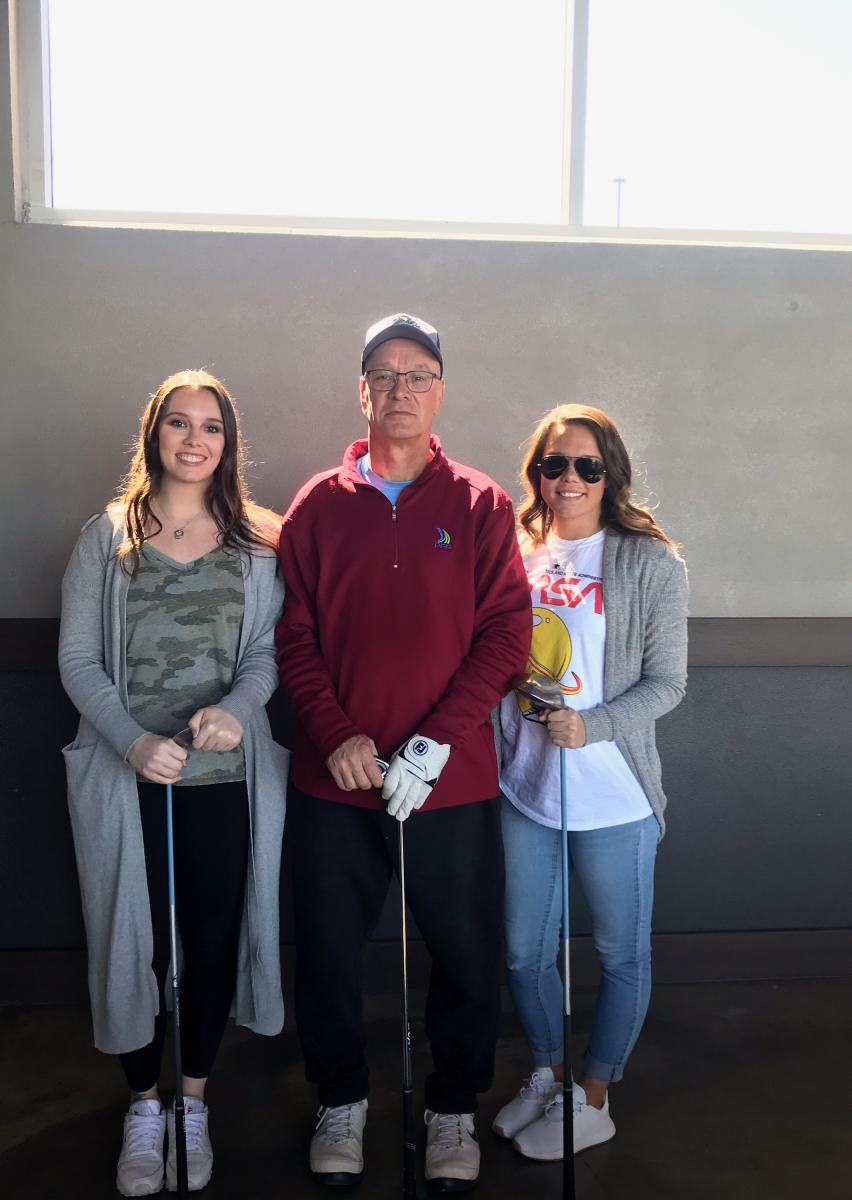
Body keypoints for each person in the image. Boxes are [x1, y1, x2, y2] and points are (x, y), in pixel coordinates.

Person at [276, 313, 532, 1191]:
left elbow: (505, 636)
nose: (399, 390)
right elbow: (295, 636)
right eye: (383, 375)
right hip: (335, 779)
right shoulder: (317, 504)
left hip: (450, 781)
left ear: (439, 391)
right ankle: (340, 1097)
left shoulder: (481, 502)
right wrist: (335, 731)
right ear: (362, 392)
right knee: (330, 948)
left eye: (417, 374)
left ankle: (452, 1108)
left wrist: (434, 741)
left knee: (463, 951)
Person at [58, 369, 288, 1196]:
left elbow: (265, 653)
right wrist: (128, 742)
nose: (196, 440)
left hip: (226, 781)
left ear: (229, 443)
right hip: (130, 784)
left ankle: (191, 1100)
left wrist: (237, 707)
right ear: (154, 434)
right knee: (136, 939)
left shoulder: (258, 543)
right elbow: (79, 659)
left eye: (213, 427)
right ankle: (143, 1108)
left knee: (214, 937)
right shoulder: (106, 537)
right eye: (179, 424)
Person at [491, 403, 688, 1161]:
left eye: (586, 465)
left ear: (610, 474)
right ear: (536, 473)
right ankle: (545, 1076)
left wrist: (592, 724)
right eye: (554, 464)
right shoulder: (515, 549)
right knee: (524, 952)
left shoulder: (647, 561)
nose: (568, 478)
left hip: (613, 793)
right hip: (527, 787)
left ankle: (595, 1095)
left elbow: (668, 683)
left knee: (619, 955)